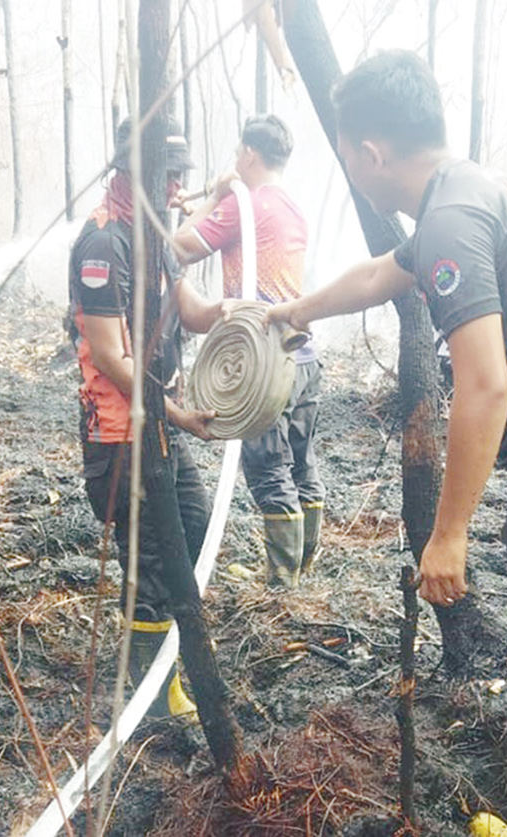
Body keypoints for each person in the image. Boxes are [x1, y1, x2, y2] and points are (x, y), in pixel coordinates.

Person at [265, 51, 507, 836]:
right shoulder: (469, 190)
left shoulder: (450, 220)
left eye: (345, 152)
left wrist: (448, 535)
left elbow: (485, 385)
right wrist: (297, 310)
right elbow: (380, 274)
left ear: (370, 153)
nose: (347, 166)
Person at [68, 120, 218, 718]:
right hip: (120, 433)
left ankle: (158, 660)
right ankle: (153, 700)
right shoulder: (103, 244)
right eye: (169, 175)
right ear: (136, 173)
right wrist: (177, 414)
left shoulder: (158, 234)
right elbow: (110, 356)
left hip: (159, 422)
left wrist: (246, 312)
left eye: (181, 175)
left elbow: (194, 310)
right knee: (153, 558)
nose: (179, 187)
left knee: (194, 525)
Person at [171, 114, 326, 587]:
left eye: (239, 151)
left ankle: (281, 581)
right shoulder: (291, 205)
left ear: (250, 154)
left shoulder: (246, 204)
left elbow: (177, 250)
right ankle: (302, 566)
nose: (235, 158)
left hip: (263, 364)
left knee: (269, 467)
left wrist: (215, 197)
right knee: (302, 462)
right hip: (302, 357)